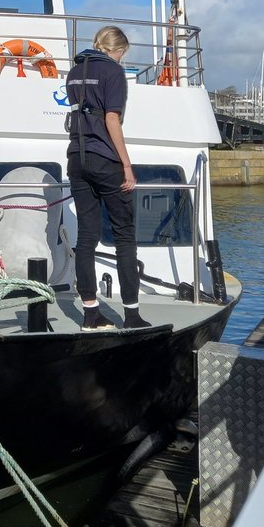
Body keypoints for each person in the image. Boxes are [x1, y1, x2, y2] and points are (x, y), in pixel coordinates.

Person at [66, 25, 150, 331]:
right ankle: (132, 315)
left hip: (76, 159)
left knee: (86, 237)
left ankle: (91, 314)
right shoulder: (113, 73)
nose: (121, 58)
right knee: (124, 237)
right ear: (118, 50)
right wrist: (126, 166)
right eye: (122, 53)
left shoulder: (75, 72)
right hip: (104, 161)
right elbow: (112, 119)